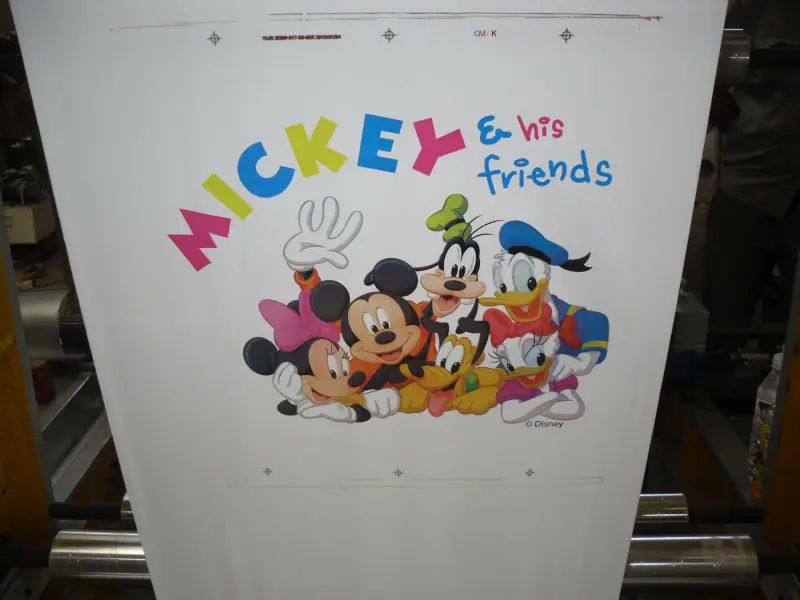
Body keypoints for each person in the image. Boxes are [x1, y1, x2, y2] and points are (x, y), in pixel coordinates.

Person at [704, 0, 800, 353]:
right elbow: (705, 78)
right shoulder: (753, 9)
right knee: (723, 321)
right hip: (748, 184)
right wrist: (739, 125)